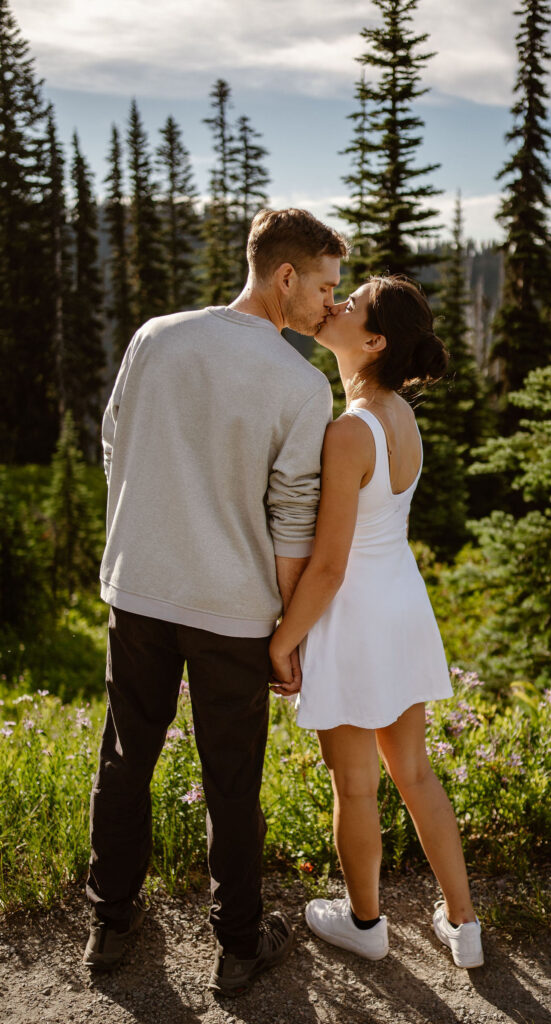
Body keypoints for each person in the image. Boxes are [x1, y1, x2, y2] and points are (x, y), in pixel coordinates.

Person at [83, 208, 348, 995]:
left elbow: (112, 440)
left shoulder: (156, 335)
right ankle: (238, 944)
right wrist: (287, 634)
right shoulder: (302, 383)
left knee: (125, 756)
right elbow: (294, 516)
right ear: (284, 275)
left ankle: (111, 924)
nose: (331, 305)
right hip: (232, 610)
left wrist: (147, 533)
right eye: (326, 286)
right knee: (232, 777)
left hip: (138, 587)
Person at [269, 275, 483, 970]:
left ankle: (365, 924)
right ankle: (464, 925)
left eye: (350, 302)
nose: (334, 304)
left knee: (356, 785)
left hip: (355, 618)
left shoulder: (346, 432)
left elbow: (327, 567)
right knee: (415, 774)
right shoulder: (399, 415)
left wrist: (282, 640)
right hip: (402, 609)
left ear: (372, 340)